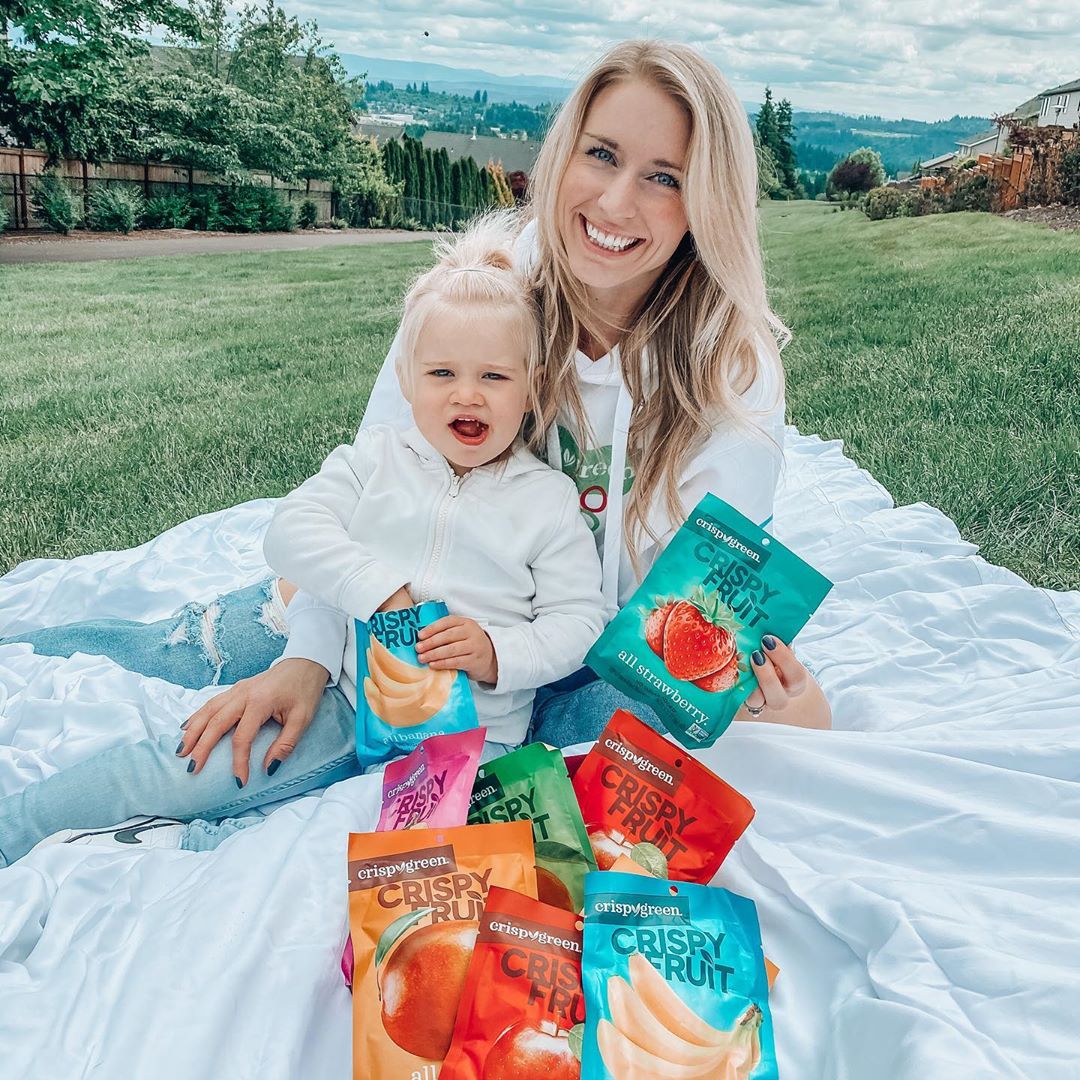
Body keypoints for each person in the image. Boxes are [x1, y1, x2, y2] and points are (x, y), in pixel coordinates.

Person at [1, 39, 830, 863]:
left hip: (569, 665)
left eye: (665, 177)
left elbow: (696, 617)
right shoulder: (482, 295)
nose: (615, 202)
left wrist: (754, 695)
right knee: (200, 659)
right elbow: (372, 496)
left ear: (708, 201)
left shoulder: (732, 371)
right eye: (602, 154)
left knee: (638, 771)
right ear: (563, 153)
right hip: (389, 618)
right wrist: (309, 654)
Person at [0, 213, 605, 866]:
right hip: (343, 702)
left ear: (532, 387)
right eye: (441, 374)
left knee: (391, 873)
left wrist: (497, 653)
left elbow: (580, 619)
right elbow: (293, 530)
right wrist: (380, 591)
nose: (467, 395)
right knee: (182, 765)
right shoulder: (374, 461)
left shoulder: (546, 501)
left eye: (494, 377)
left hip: (474, 741)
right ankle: (17, 828)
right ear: (406, 380)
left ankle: (208, 847)